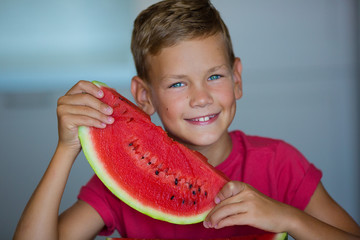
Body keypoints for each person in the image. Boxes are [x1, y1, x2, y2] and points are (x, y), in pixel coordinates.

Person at [14, 0, 360, 239]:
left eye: (215, 76)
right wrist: (66, 148)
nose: (201, 97)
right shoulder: (118, 188)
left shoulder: (279, 164)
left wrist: (288, 218)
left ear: (237, 79)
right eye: (178, 83)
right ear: (144, 96)